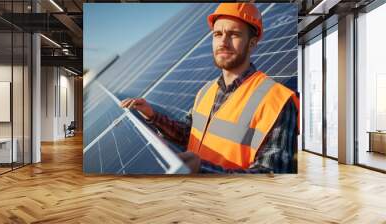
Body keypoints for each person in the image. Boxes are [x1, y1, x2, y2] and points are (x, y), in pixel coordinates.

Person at [121, 3, 299, 174]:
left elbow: (273, 175)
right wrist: (152, 115)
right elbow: (188, 135)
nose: (223, 42)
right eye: (217, 34)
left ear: (252, 43)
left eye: (234, 34)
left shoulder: (277, 100)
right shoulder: (206, 91)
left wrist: (201, 169)